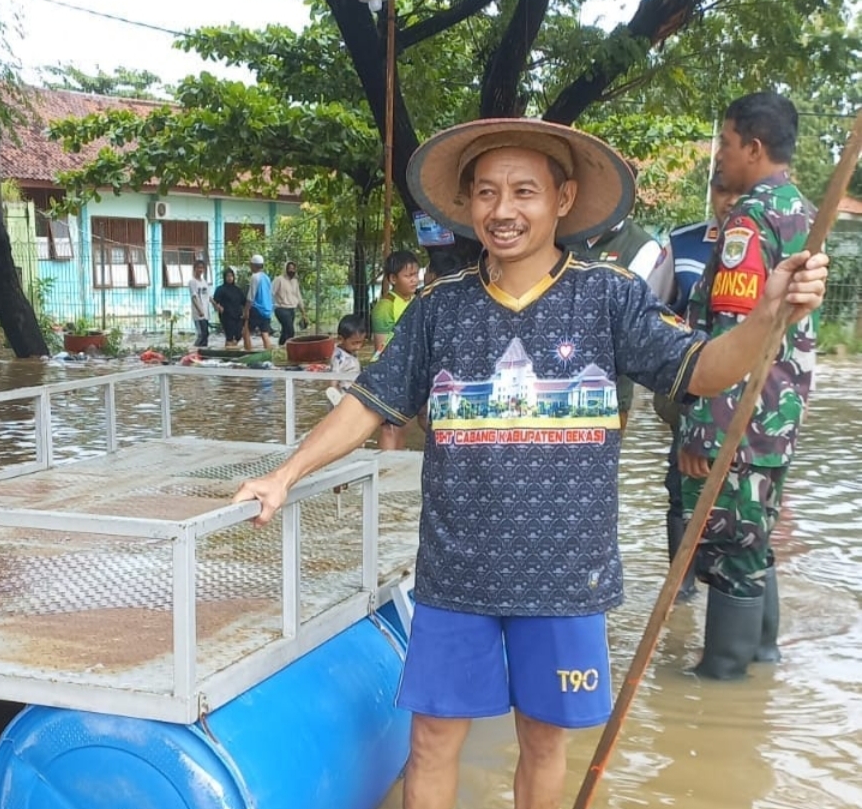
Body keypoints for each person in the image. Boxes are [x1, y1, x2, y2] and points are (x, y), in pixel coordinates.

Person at [232, 117, 827, 809]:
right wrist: (285, 473)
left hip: (567, 577)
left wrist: (767, 315)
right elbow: (369, 403)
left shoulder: (609, 298)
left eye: (523, 191)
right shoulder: (438, 308)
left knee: (544, 745)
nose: (503, 210)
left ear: (563, 198)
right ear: (468, 203)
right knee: (430, 741)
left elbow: (703, 369)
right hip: (456, 574)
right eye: (486, 193)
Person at [679, 92, 817, 681]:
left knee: (732, 550)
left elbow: (732, 336)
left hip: (742, 415)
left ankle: (721, 673)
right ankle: (762, 656)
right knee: (755, 540)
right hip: (779, 417)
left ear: (753, 148)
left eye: (727, 143)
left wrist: (701, 431)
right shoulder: (807, 212)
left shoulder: (750, 219)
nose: (721, 156)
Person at [648, 173, 741, 602]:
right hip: (692, 393)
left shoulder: (774, 242)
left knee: (746, 498)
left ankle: (732, 590)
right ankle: (680, 591)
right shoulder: (683, 244)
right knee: (681, 485)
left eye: (740, 192)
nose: (731, 202)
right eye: (723, 191)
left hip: (753, 401)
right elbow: (652, 309)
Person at [573, 216, 662, 430]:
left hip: (607, 391)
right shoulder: (560, 232)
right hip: (545, 384)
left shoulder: (642, 246)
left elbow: (629, 321)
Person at [371, 249, 421, 450]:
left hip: (412, 372)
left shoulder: (418, 301)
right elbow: (381, 349)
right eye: (408, 276)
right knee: (390, 426)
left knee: (405, 425)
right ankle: (386, 468)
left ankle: (396, 462)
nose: (414, 280)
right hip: (392, 373)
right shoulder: (385, 307)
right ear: (392, 278)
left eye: (416, 275)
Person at [325, 313, 367, 409]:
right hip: (342, 401)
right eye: (354, 343)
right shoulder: (338, 358)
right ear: (341, 339)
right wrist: (337, 404)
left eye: (361, 342)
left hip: (353, 398)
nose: (358, 347)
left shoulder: (350, 351)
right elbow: (332, 383)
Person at [272, 260, 308, 346]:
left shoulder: (295, 281)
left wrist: (303, 313)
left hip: (291, 310)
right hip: (281, 309)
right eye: (289, 268)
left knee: (285, 331)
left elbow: (298, 297)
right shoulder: (279, 280)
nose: (291, 271)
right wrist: (274, 304)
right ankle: (290, 349)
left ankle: (280, 347)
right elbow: (271, 293)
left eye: (293, 269)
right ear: (285, 269)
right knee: (290, 331)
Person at [243, 253, 274, 351]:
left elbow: (251, 296)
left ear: (254, 265)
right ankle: (268, 354)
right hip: (267, 310)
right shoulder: (267, 277)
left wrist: (246, 310)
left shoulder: (255, 277)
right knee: (265, 333)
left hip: (257, 309)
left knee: (245, 331)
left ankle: (248, 352)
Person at [213, 267, 247, 347]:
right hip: (226, 316)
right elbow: (215, 301)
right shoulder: (220, 289)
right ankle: (229, 352)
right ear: (224, 277)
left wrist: (245, 313)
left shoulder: (237, 290)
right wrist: (218, 307)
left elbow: (244, 302)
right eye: (228, 276)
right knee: (229, 336)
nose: (229, 278)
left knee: (239, 335)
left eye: (231, 276)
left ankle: (231, 347)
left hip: (238, 316)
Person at [187, 257, 214, 348]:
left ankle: (204, 351)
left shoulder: (204, 282)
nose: (200, 269)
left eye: (202, 268)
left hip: (205, 312)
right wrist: (199, 310)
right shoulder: (192, 282)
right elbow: (194, 297)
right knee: (201, 334)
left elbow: (209, 296)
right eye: (198, 267)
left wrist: (216, 305)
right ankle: (195, 350)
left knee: (206, 334)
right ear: (194, 269)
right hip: (198, 314)